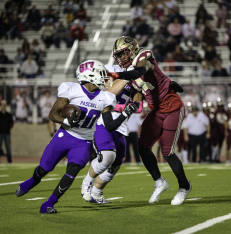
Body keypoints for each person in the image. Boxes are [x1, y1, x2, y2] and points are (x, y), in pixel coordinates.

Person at [15, 60, 140, 213]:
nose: (105, 78)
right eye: (101, 74)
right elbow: (52, 114)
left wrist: (125, 113)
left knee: (73, 169)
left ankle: (49, 203)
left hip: (84, 141)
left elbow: (109, 126)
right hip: (65, 135)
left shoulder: (106, 97)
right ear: (90, 75)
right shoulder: (71, 89)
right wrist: (65, 120)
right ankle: (32, 181)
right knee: (44, 169)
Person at [107, 36, 191, 205]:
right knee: (143, 148)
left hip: (172, 107)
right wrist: (123, 105)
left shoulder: (143, 57)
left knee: (167, 153)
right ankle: (160, 183)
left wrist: (119, 75)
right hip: (156, 110)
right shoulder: (129, 72)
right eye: (119, 55)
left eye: (123, 53)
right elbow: (137, 100)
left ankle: (184, 186)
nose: (122, 58)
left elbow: (139, 71)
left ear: (132, 49)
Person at [81, 66, 143, 203]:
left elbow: (137, 108)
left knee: (115, 165)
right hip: (103, 122)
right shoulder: (111, 71)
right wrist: (126, 77)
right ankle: (87, 182)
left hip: (121, 126)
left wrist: (139, 87)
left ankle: (96, 193)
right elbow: (107, 96)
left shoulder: (134, 80)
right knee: (107, 156)